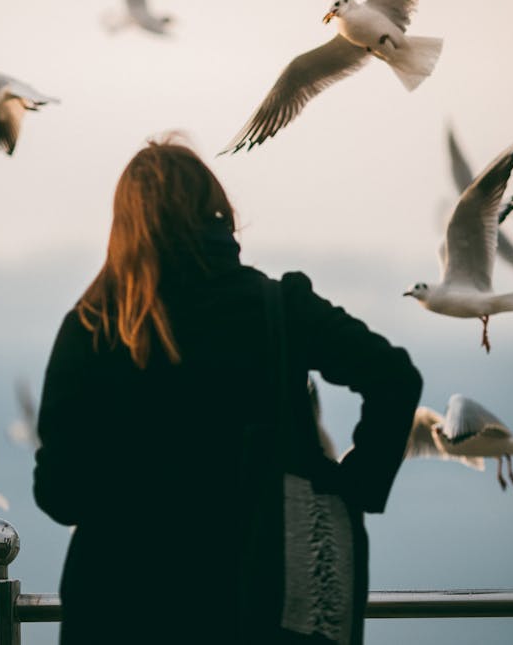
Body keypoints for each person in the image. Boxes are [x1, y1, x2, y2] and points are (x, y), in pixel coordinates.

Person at [33, 138, 422, 645]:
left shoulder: (94, 327)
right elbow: (394, 376)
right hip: (255, 601)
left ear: (126, 225)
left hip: (118, 606)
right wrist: (353, 487)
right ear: (217, 211)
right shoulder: (278, 308)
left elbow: (60, 495)